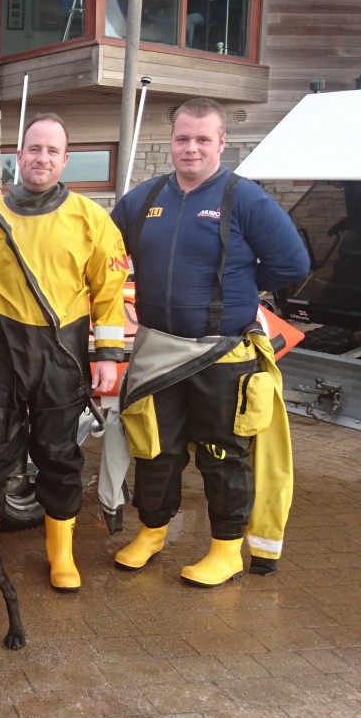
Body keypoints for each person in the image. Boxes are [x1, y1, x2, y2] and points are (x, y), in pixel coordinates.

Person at [108, 98, 309, 585]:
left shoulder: (248, 200)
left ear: (222, 143)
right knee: (155, 450)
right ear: (170, 141)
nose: (191, 148)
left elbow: (292, 265)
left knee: (223, 454)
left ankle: (226, 549)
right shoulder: (142, 199)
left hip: (223, 355)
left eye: (202, 139)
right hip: (158, 354)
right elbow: (107, 255)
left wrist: (240, 287)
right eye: (183, 138)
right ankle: (152, 532)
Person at [0, 113, 129, 592]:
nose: (42, 158)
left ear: (65, 159)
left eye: (52, 151)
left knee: (59, 458)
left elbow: (109, 296)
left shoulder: (93, 221)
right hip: (0, 358)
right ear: (19, 156)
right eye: (34, 149)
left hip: (63, 359)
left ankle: (62, 557)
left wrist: (108, 356)